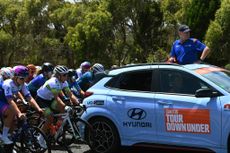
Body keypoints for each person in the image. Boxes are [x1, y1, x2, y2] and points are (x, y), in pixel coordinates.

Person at [0, 65, 43, 144]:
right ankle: (4, 136)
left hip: (7, 101)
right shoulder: (7, 84)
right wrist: (19, 113)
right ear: (15, 77)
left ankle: (8, 143)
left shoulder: (22, 84)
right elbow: (10, 101)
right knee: (12, 112)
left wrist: (38, 108)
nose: (24, 80)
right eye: (22, 78)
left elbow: (30, 98)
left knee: (14, 121)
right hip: (2, 101)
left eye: (25, 78)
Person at [35, 65, 79, 135]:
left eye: (67, 74)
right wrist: (65, 106)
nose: (66, 76)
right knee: (50, 118)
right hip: (41, 100)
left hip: (50, 99)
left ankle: (56, 127)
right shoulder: (52, 82)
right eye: (64, 75)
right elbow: (57, 98)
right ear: (58, 76)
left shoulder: (64, 82)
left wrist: (78, 103)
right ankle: (40, 137)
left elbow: (70, 94)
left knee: (63, 110)